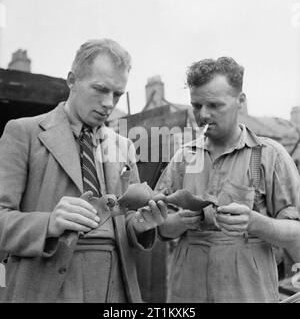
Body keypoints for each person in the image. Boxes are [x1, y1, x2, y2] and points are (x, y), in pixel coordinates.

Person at [0, 38, 167, 302]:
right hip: (48, 287)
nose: (109, 103)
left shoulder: (124, 146)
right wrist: (48, 223)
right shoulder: (24, 133)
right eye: (100, 89)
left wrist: (141, 226)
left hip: (117, 288)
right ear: (72, 80)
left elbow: (130, 221)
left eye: (117, 94)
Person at [156, 57, 300, 303]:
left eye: (214, 105)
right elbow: (161, 228)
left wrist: (255, 222)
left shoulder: (269, 155)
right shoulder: (183, 158)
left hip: (246, 291)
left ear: (240, 102)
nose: (203, 115)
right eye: (196, 105)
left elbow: (295, 231)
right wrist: (178, 222)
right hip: (187, 290)